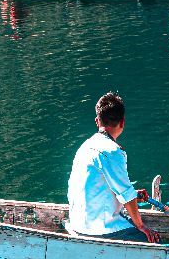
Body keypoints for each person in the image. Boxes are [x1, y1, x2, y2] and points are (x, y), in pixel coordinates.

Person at [66, 93, 158, 243]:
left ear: (97, 121)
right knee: (153, 241)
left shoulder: (84, 147)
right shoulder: (112, 151)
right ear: (122, 122)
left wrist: (135, 195)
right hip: (98, 230)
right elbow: (126, 195)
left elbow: (101, 188)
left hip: (77, 224)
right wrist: (141, 226)